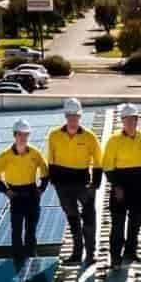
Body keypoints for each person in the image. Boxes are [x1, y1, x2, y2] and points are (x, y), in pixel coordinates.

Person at [0, 117, 49, 271]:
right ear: (15, 135)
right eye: (20, 134)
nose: (23, 137)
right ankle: (18, 259)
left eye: (26, 134)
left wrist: (42, 188)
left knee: (31, 228)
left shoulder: (35, 153)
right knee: (16, 229)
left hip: (32, 194)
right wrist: (6, 191)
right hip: (16, 196)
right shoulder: (5, 155)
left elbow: (45, 169)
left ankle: (31, 255)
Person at [100, 102, 141, 265]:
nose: (130, 123)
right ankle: (115, 257)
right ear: (122, 121)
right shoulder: (114, 140)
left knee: (136, 222)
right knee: (118, 224)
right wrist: (116, 186)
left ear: (137, 120)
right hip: (120, 186)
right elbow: (107, 165)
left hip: (138, 186)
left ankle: (131, 252)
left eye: (133, 119)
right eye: (127, 120)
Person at [47, 97, 101, 267]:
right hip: (63, 186)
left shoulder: (89, 137)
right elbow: (51, 159)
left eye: (75, 116)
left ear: (80, 116)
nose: (72, 119)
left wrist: (95, 183)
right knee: (72, 218)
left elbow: (98, 160)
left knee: (89, 218)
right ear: (65, 116)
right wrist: (55, 183)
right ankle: (77, 253)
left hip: (83, 184)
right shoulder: (54, 135)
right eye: (70, 115)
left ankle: (91, 254)